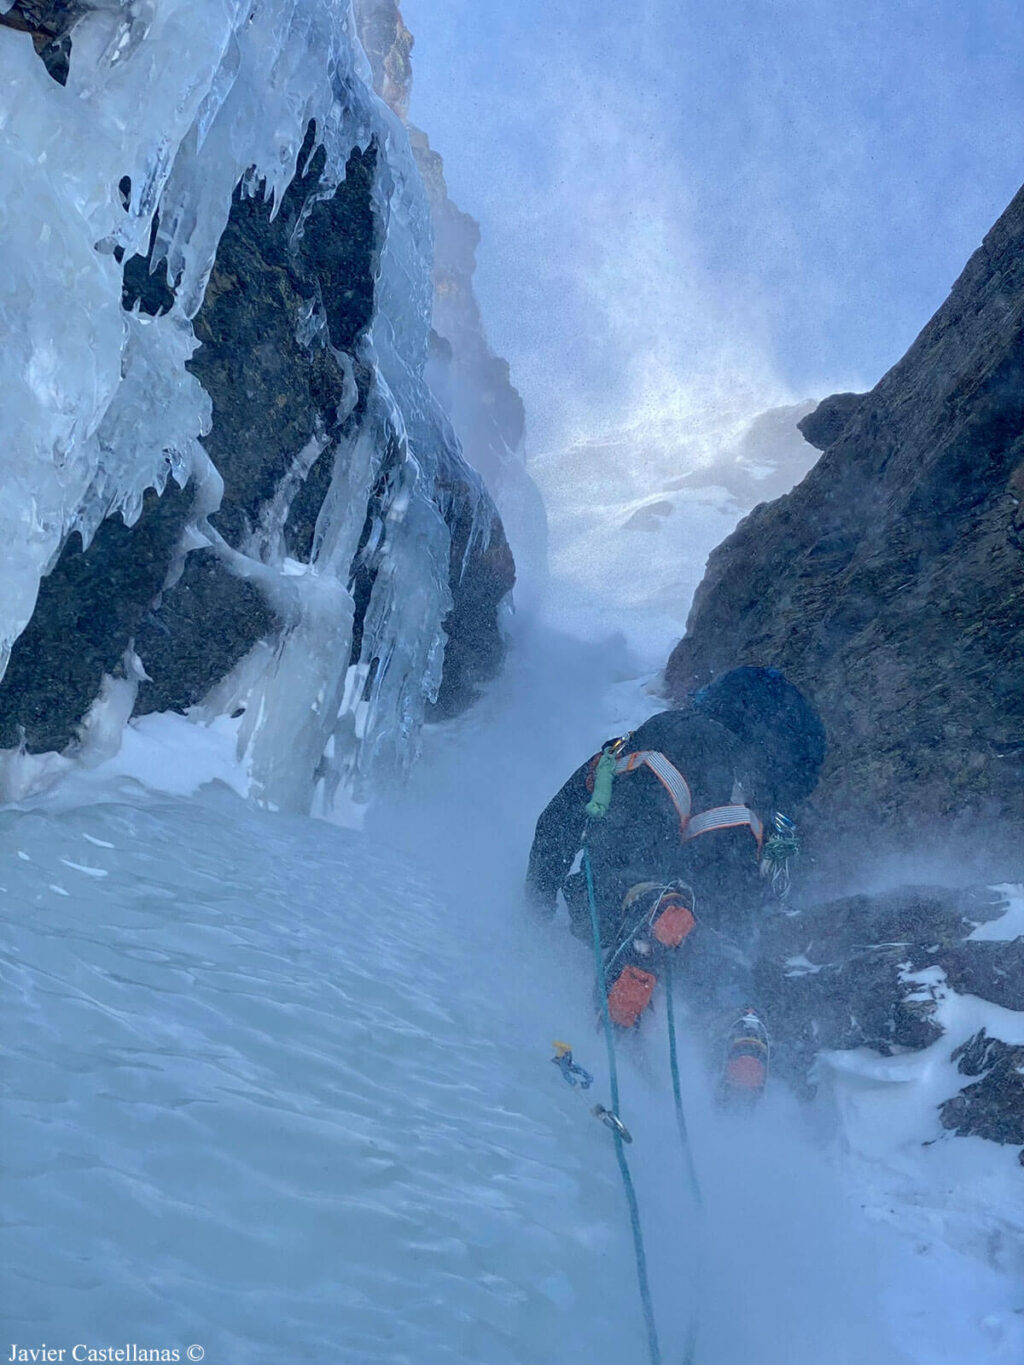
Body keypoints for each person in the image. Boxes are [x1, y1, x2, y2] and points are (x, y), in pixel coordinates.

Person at [525, 666, 826, 1094]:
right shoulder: (768, 801)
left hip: (664, 769)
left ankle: (650, 904)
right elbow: (758, 901)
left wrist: (533, 916)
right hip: (743, 819)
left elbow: (555, 823)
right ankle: (735, 1017)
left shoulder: (666, 728)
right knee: (713, 928)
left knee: (622, 878)